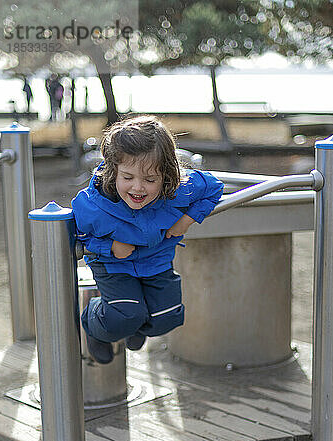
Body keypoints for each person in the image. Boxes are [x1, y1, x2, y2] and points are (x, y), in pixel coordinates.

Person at [72, 115, 224, 364]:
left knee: (167, 317)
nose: (138, 188)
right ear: (113, 171)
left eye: (150, 179)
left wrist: (186, 219)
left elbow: (214, 186)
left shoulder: (179, 188)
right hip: (114, 265)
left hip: (156, 261)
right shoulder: (92, 205)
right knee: (125, 315)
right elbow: (78, 236)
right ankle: (92, 323)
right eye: (128, 177)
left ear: (167, 174)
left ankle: (136, 326)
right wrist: (110, 247)